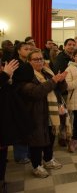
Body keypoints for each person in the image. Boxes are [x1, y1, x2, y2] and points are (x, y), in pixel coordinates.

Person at [20, 49, 68, 178]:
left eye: (41, 58)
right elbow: (36, 92)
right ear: (29, 61)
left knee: (50, 138)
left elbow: (61, 90)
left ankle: (48, 159)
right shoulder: (26, 76)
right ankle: (36, 166)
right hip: (36, 114)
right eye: (36, 59)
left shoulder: (47, 73)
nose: (40, 61)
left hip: (51, 113)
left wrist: (61, 80)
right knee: (36, 142)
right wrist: (54, 81)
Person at [0, 59, 21, 191]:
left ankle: (1, 179)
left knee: (2, 152)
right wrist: (5, 76)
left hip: (3, 120)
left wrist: (9, 80)